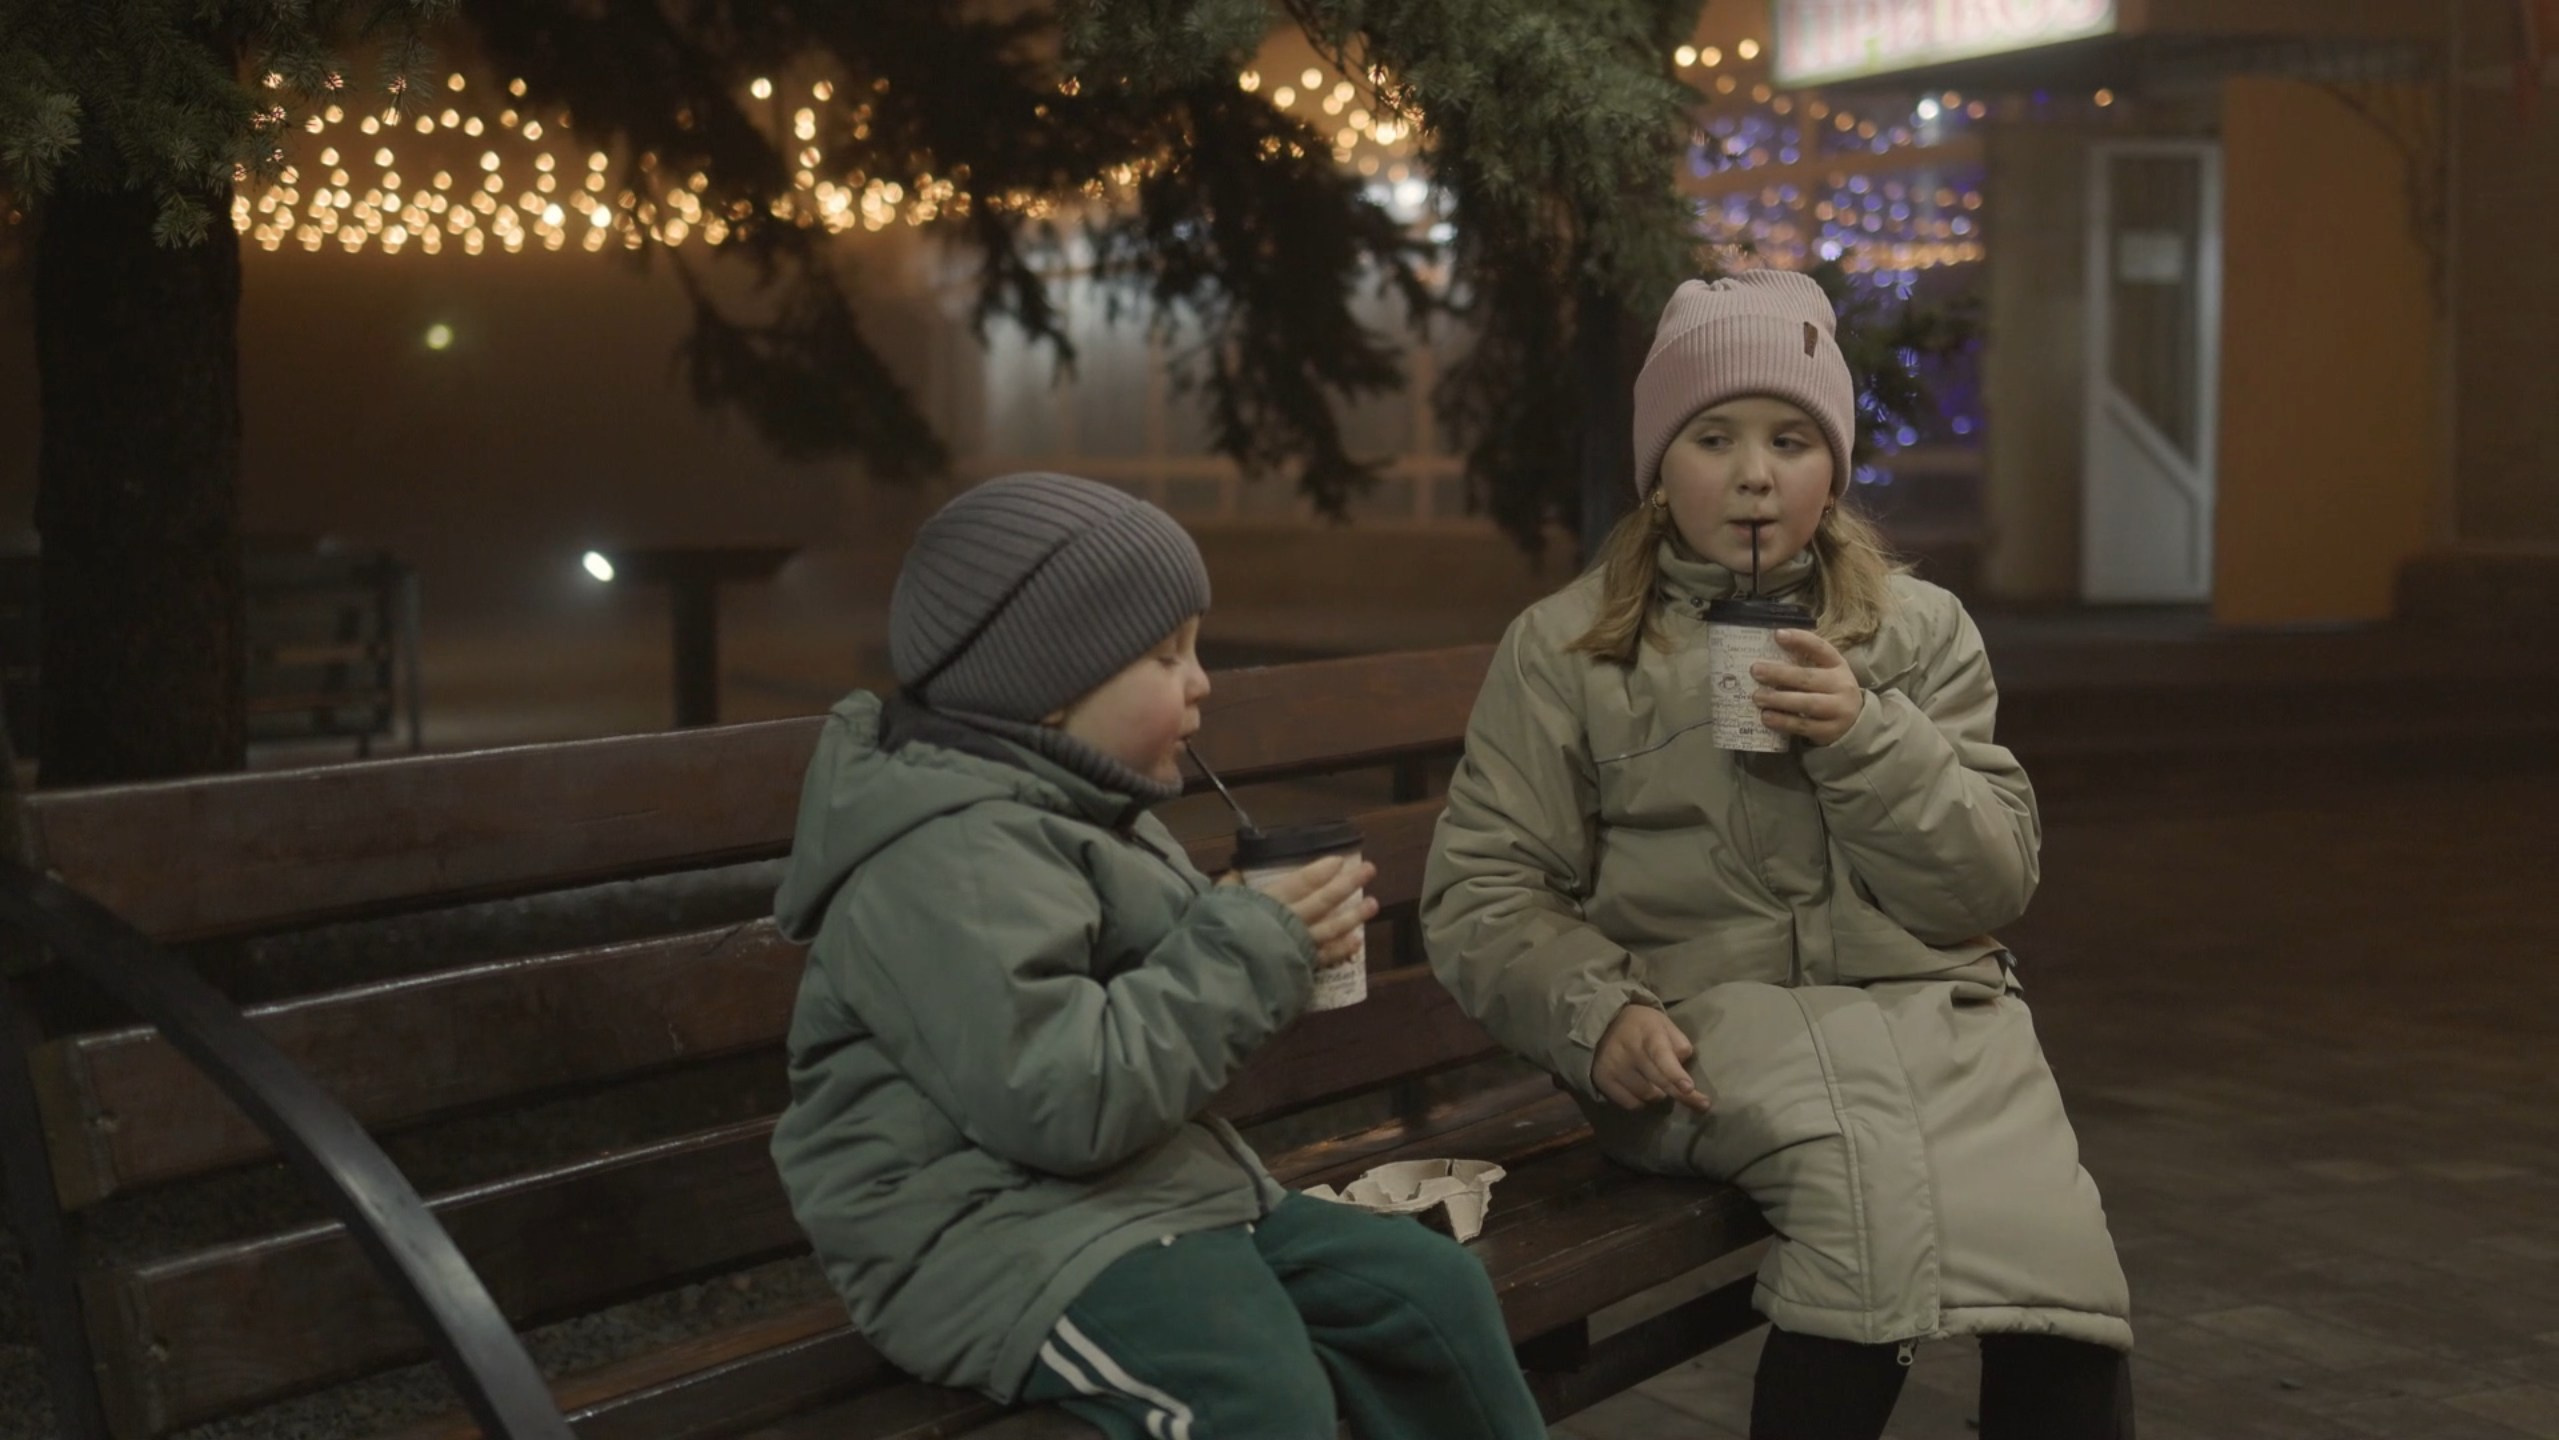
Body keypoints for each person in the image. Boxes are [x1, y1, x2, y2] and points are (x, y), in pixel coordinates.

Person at [1422, 273, 2135, 1440]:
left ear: (1833, 468)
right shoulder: (1569, 647)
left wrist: (1867, 735)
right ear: (1663, 465)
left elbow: (1990, 879)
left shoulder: (1917, 631)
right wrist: (1599, 1015)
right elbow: (1486, 892)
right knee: (1864, 1196)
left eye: (1792, 439)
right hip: (1704, 1029)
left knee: (2058, 1260)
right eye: (1715, 437)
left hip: (1928, 1005)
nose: (1756, 472)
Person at [770, 471, 1550, 1440]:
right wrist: (1251, 940)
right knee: (1249, 1389)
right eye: (1164, 655)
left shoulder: (1084, 813)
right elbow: (1063, 1096)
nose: (1201, 681)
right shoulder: (947, 857)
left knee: (1427, 1296)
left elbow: (1170, 998)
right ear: (1047, 690)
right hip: (985, 1240)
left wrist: (1278, 940)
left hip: (1139, 1196)